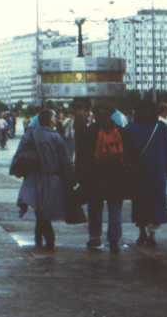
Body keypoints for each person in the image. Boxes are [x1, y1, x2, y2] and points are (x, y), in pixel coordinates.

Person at [16, 109, 73, 252]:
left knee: (40, 209)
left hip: (34, 178)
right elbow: (65, 161)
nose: (56, 119)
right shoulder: (56, 137)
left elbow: (20, 155)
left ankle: (40, 237)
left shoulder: (30, 135)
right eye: (54, 117)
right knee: (45, 210)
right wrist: (70, 178)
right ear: (49, 120)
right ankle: (49, 239)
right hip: (51, 178)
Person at [76, 107, 132, 254]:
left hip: (95, 176)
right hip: (116, 176)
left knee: (94, 206)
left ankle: (95, 237)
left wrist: (80, 176)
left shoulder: (89, 132)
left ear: (95, 115)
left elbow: (82, 156)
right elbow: (128, 155)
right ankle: (114, 239)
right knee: (115, 207)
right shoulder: (121, 131)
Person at [126, 101, 167, 246]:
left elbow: (126, 152)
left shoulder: (130, 128)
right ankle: (152, 234)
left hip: (137, 172)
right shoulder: (161, 127)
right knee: (155, 202)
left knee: (140, 202)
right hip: (157, 172)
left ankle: (141, 233)